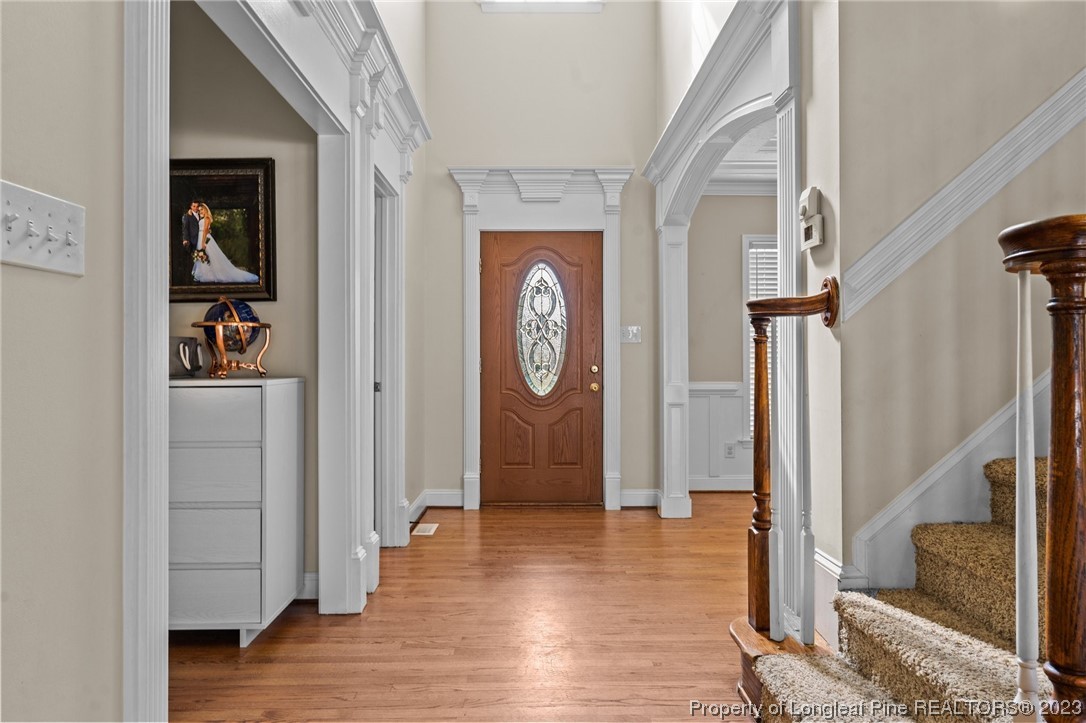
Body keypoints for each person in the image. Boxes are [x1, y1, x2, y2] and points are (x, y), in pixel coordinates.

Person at [192, 203, 259, 284]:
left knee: (209, 256)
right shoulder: (202, 218)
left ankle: (211, 275)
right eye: (199, 211)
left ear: (206, 209)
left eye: (201, 209)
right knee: (204, 256)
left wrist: (203, 242)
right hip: (201, 237)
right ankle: (206, 275)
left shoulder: (207, 218)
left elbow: (205, 230)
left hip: (204, 238)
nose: (200, 212)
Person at [177, 200, 201, 285]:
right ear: (191, 207)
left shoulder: (201, 214)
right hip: (192, 240)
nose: (195, 208)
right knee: (191, 259)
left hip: (200, 239)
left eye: (197, 206)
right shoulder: (187, 216)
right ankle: (190, 280)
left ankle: (198, 276)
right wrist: (185, 239)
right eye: (193, 206)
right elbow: (185, 228)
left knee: (200, 257)